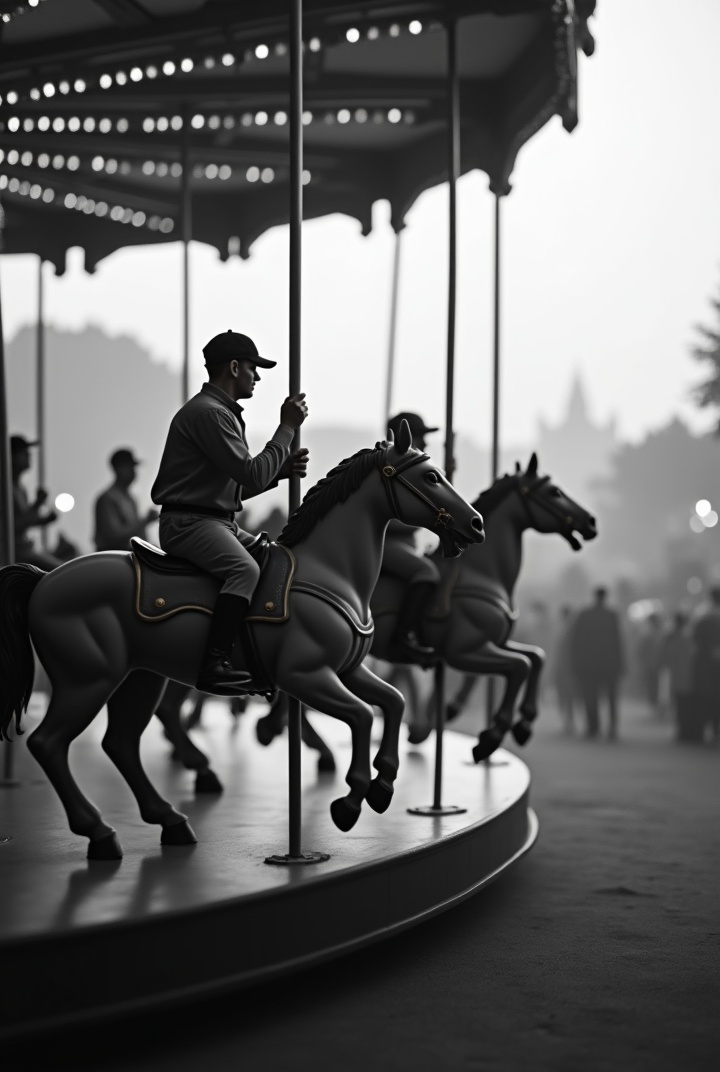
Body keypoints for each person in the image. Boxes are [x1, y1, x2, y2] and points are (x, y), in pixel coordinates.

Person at [151, 330, 308, 695]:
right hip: (190, 523)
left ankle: (253, 652)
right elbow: (251, 472)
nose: (257, 376)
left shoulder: (219, 412)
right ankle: (212, 662)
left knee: (273, 562)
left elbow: (234, 489)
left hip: (214, 519)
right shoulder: (210, 414)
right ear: (234, 367)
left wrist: (279, 473)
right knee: (245, 569)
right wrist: (286, 428)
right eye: (253, 368)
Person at [381, 411, 442, 664]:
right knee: (426, 573)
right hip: (385, 542)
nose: (426, 444)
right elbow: (392, 518)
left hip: (404, 543)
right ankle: (404, 636)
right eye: (421, 437)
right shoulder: (389, 469)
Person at [570, 586, 625, 739]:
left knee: (590, 697)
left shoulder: (585, 615)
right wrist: (621, 664)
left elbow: (577, 642)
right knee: (611, 698)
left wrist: (576, 663)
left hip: (589, 665)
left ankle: (593, 727)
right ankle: (612, 727)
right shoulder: (611, 616)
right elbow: (617, 642)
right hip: (609, 664)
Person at [10, 434, 63, 571]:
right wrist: (38, 504)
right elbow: (11, 526)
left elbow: (23, 521)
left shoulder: (19, 487)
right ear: (10, 457)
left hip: (25, 549)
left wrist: (44, 520)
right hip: (16, 552)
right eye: (23, 453)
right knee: (61, 571)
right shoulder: (5, 488)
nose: (29, 455)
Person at [94, 447, 159, 551]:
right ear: (117, 468)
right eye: (130, 467)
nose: (134, 471)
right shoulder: (107, 499)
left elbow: (138, 536)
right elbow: (113, 536)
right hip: (110, 559)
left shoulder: (131, 500)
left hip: (125, 556)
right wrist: (145, 521)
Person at [690, 587, 720, 744]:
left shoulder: (702, 616)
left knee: (704, 697)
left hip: (704, 666)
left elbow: (694, 642)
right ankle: (715, 730)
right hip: (714, 667)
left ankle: (702, 729)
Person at [660, 611, 696, 741]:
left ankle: (682, 730)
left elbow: (664, 655)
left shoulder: (671, 637)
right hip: (687, 674)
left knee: (679, 703)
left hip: (676, 674)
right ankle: (685, 730)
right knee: (685, 703)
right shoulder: (689, 636)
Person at [552, 605, 577, 733]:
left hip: (566, 667)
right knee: (565, 695)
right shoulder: (565, 630)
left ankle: (568, 721)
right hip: (563, 667)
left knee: (567, 695)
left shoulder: (569, 631)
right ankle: (567, 720)